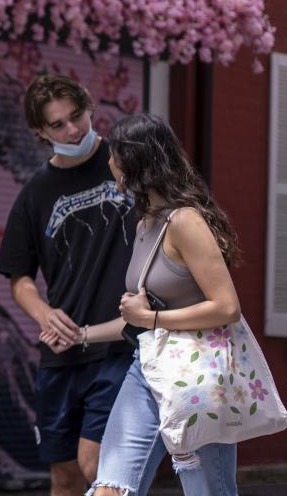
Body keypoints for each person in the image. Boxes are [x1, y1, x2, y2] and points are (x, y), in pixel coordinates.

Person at [40, 112, 242, 496]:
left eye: (114, 156)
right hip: (146, 367)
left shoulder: (186, 222)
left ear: (134, 162)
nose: (110, 164)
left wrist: (150, 317)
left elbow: (227, 307)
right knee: (109, 488)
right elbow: (138, 320)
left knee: (210, 491)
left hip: (198, 373)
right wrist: (81, 334)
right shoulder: (146, 223)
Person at [0, 74, 137, 496]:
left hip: (121, 346)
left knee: (99, 470)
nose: (72, 129)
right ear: (41, 131)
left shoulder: (127, 161)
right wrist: (44, 315)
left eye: (76, 116)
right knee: (65, 477)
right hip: (63, 352)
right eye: (58, 124)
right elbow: (18, 278)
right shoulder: (34, 194)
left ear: (90, 107)